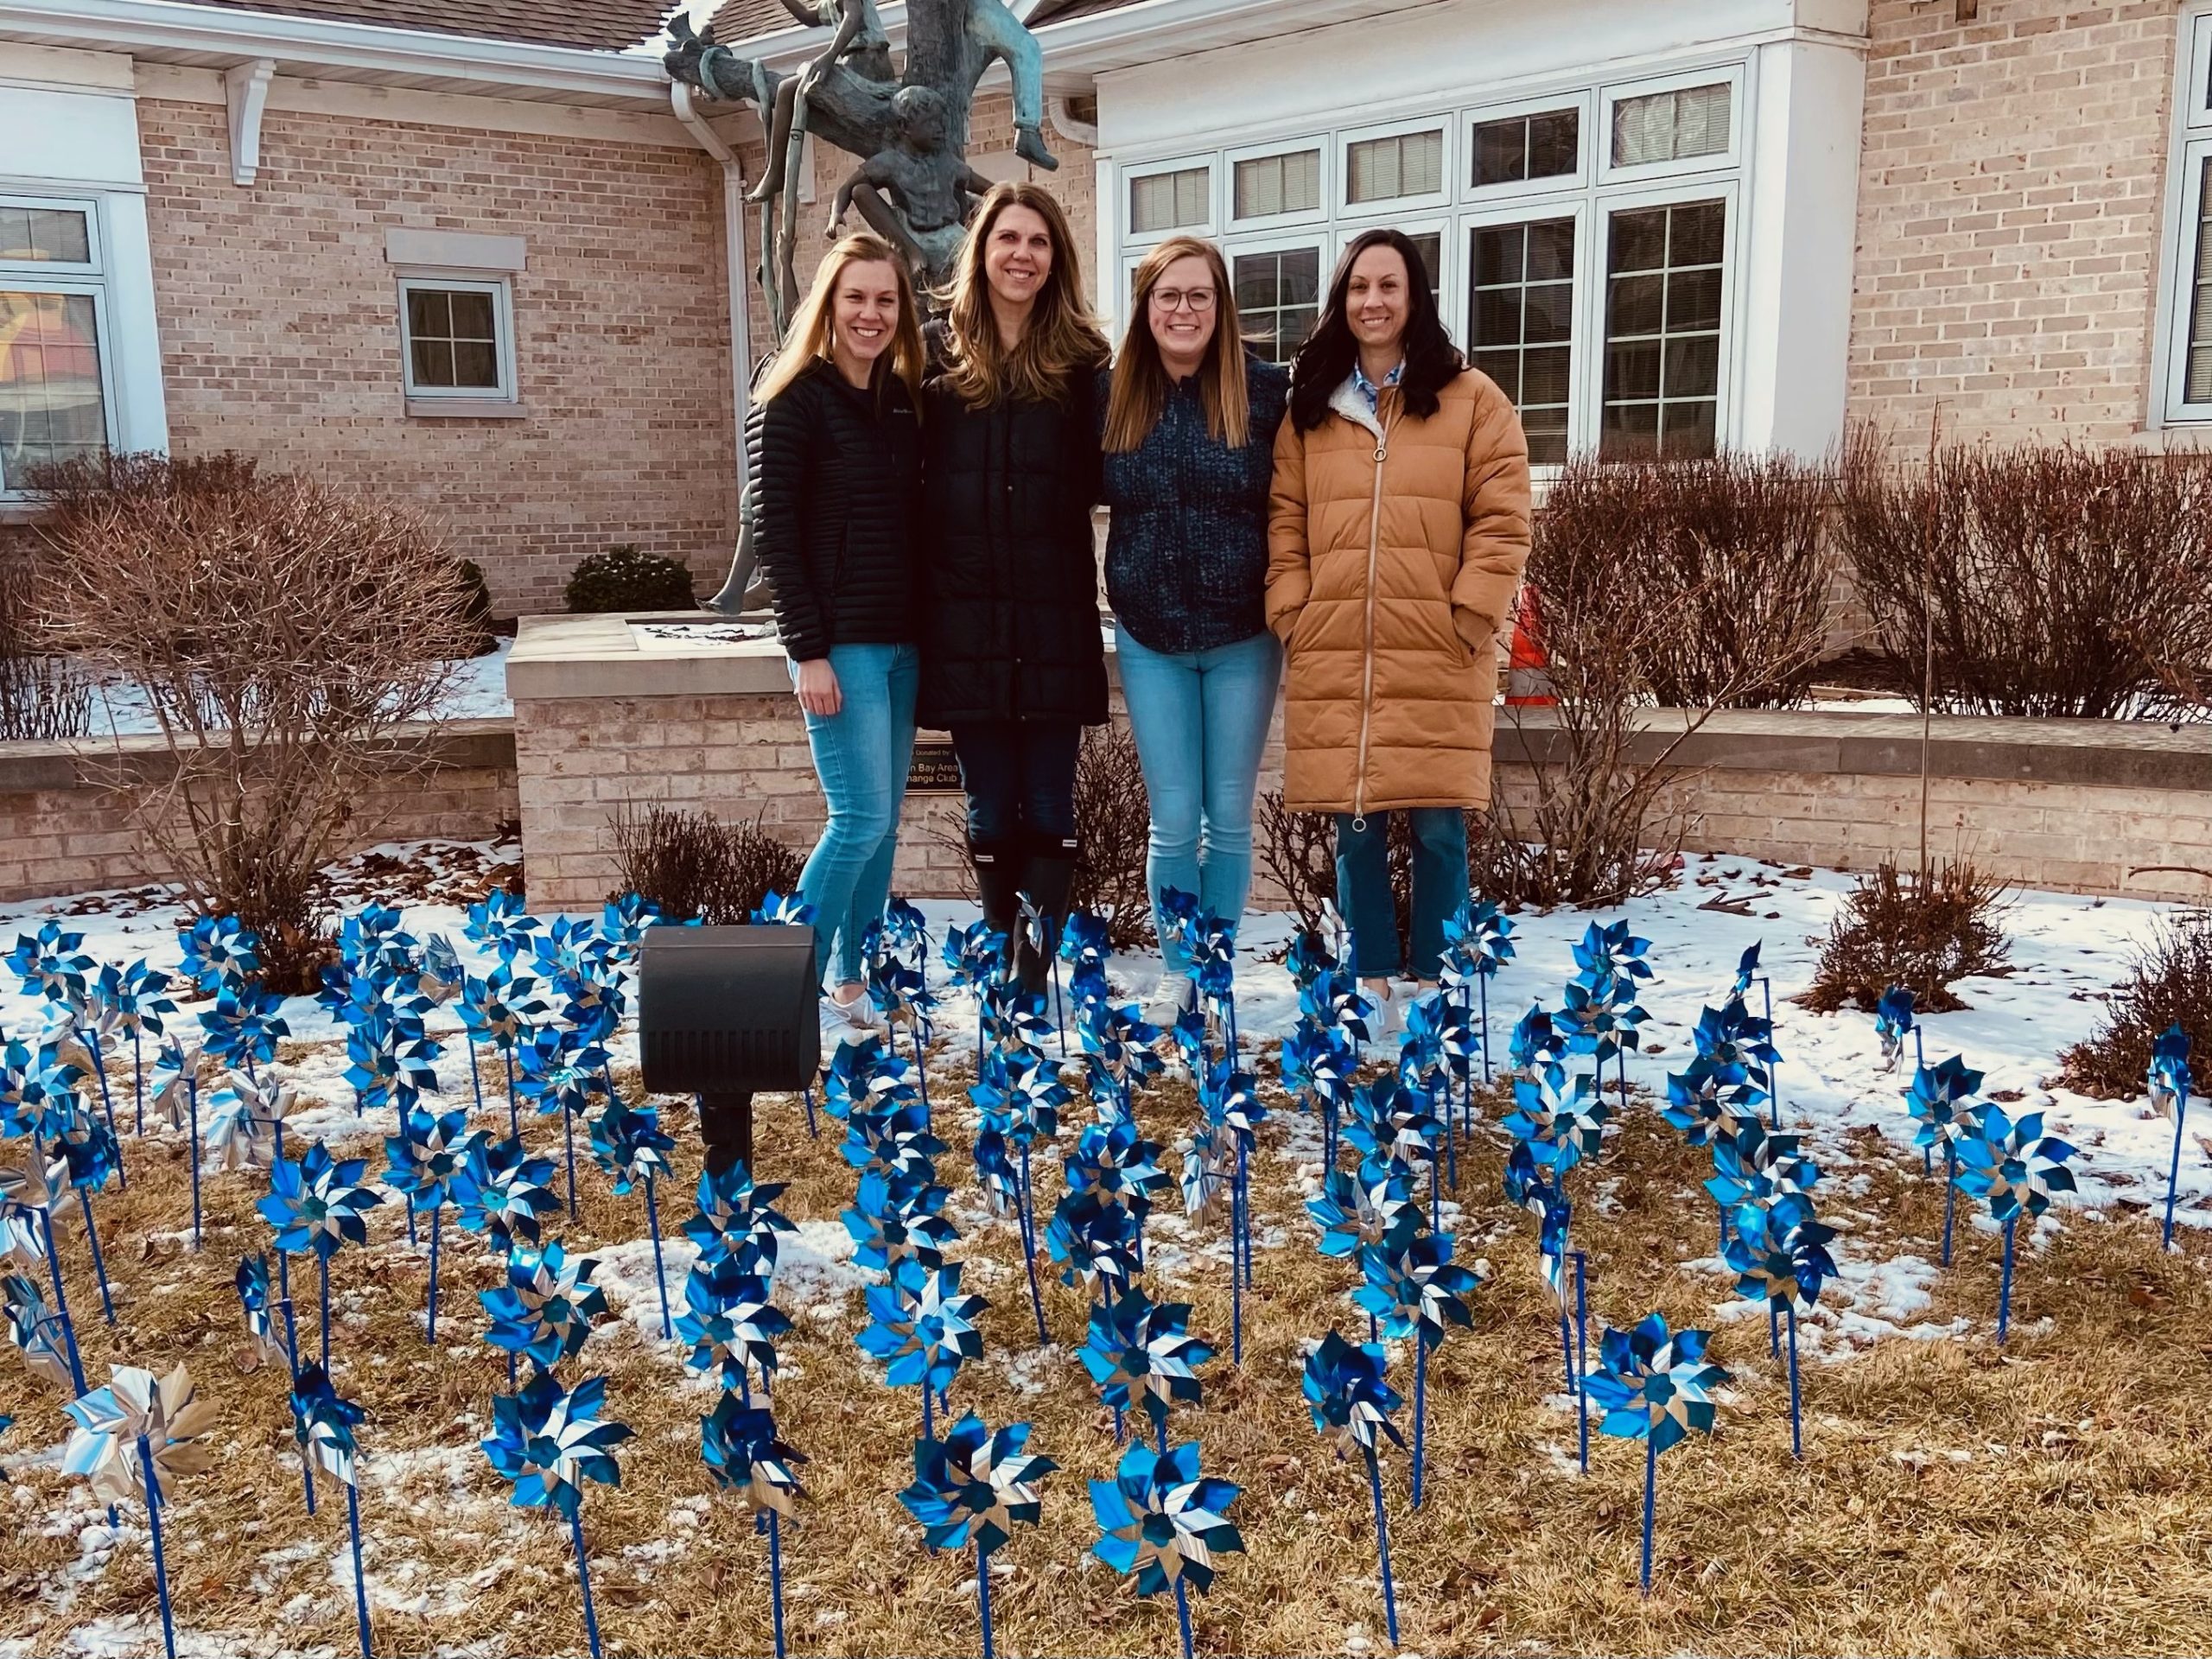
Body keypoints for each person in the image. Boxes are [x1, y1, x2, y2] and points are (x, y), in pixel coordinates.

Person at [1265, 226, 1532, 1036]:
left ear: (1414, 297)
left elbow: (1503, 516)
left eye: (1389, 286)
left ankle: (1441, 978)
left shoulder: (1472, 398)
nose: (1373, 302)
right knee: (1355, 824)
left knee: (1440, 821)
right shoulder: (1310, 411)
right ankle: (1371, 974)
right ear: (1340, 303)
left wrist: (1471, 613)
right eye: (1357, 288)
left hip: (1437, 645)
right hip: (1338, 644)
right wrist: (1293, 607)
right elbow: (1285, 518)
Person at [918, 181, 1109, 991]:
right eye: (1008, 240)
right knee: (991, 806)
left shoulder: (1082, 363)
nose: (1022, 255)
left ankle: (1037, 972)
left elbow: (1113, 470)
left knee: (1050, 806)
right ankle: (1002, 950)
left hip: (1053, 617)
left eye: (1038, 242)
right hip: (964, 623)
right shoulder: (932, 353)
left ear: (1054, 257)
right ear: (982, 252)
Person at [1096, 234, 1289, 1022]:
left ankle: (1216, 965)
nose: (1183, 309)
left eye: (1199, 295)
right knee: (1174, 817)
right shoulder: (1109, 397)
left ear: (1221, 306)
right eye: (1167, 295)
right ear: (1146, 306)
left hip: (1245, 635)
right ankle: (1179, 968)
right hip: (1150, 637)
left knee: (1228, 814)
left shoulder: (1266, 393)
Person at [753, 232, 928, 1036]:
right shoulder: (792, 397)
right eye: (855, 297)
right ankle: (788, 982)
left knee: (884, 823)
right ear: (828, 305)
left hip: (901, 645)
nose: (871, 313)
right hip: (840, 649)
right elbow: (775, 533)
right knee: (856, 818)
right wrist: (806, 650)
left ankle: (849, 979)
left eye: (885, 299)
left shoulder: (901, 402)